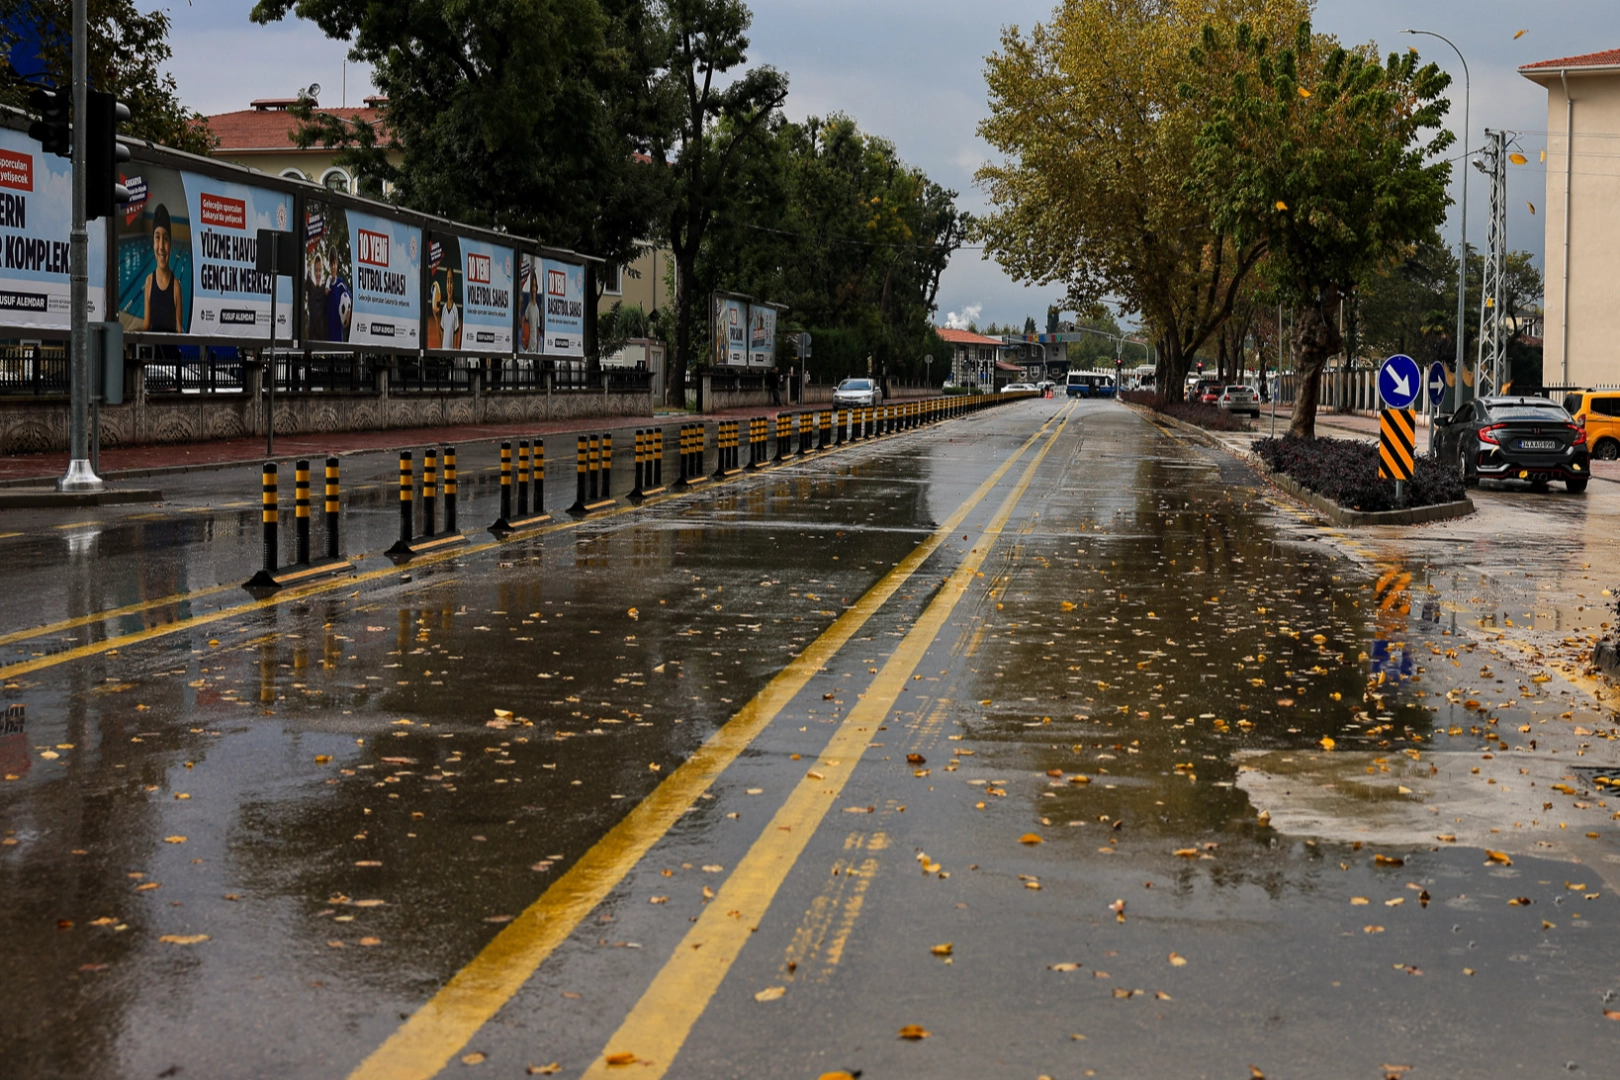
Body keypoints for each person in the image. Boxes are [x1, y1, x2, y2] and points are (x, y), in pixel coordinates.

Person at [133, 203, 183, 333]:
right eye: (157, 238)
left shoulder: (176, 286)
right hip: (153, 352)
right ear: (153, 242)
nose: (161, 246)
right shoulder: (149, 281)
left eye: (165, 239)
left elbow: (179, 332)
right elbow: (146, 325)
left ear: (171, 244)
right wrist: (131, 333)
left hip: (170, 353)